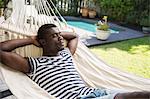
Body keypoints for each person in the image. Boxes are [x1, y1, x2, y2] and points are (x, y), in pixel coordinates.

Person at [0, 24, 150, 99]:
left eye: (59, 35)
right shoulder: (33, 64)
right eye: (54, 36)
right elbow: (1, 50)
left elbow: (74, 36)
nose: (60, 38)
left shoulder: (66, 54)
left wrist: (56, 33)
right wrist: (31, 40)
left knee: (133, 95)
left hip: (96, 92)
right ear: (43, 42)